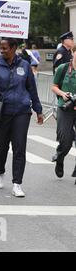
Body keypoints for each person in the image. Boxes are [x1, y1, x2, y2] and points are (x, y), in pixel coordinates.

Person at [0, 38, 44, 198]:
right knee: (1, 147)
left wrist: (38, 110)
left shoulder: (24, 65)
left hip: (22, 111)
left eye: (5, 48)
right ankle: (0, 172)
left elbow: (32, 88)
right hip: (3, 112)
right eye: (0, 48)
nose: (2, 51)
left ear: (14, 48)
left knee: (19, 147)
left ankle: (17, 184)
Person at [50, 45, 76, 181]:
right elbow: (54, 86)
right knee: (66, 141)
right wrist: (62, 93)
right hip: (65, 108)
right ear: (73, 52)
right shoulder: (63, 68)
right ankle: (60, 158)